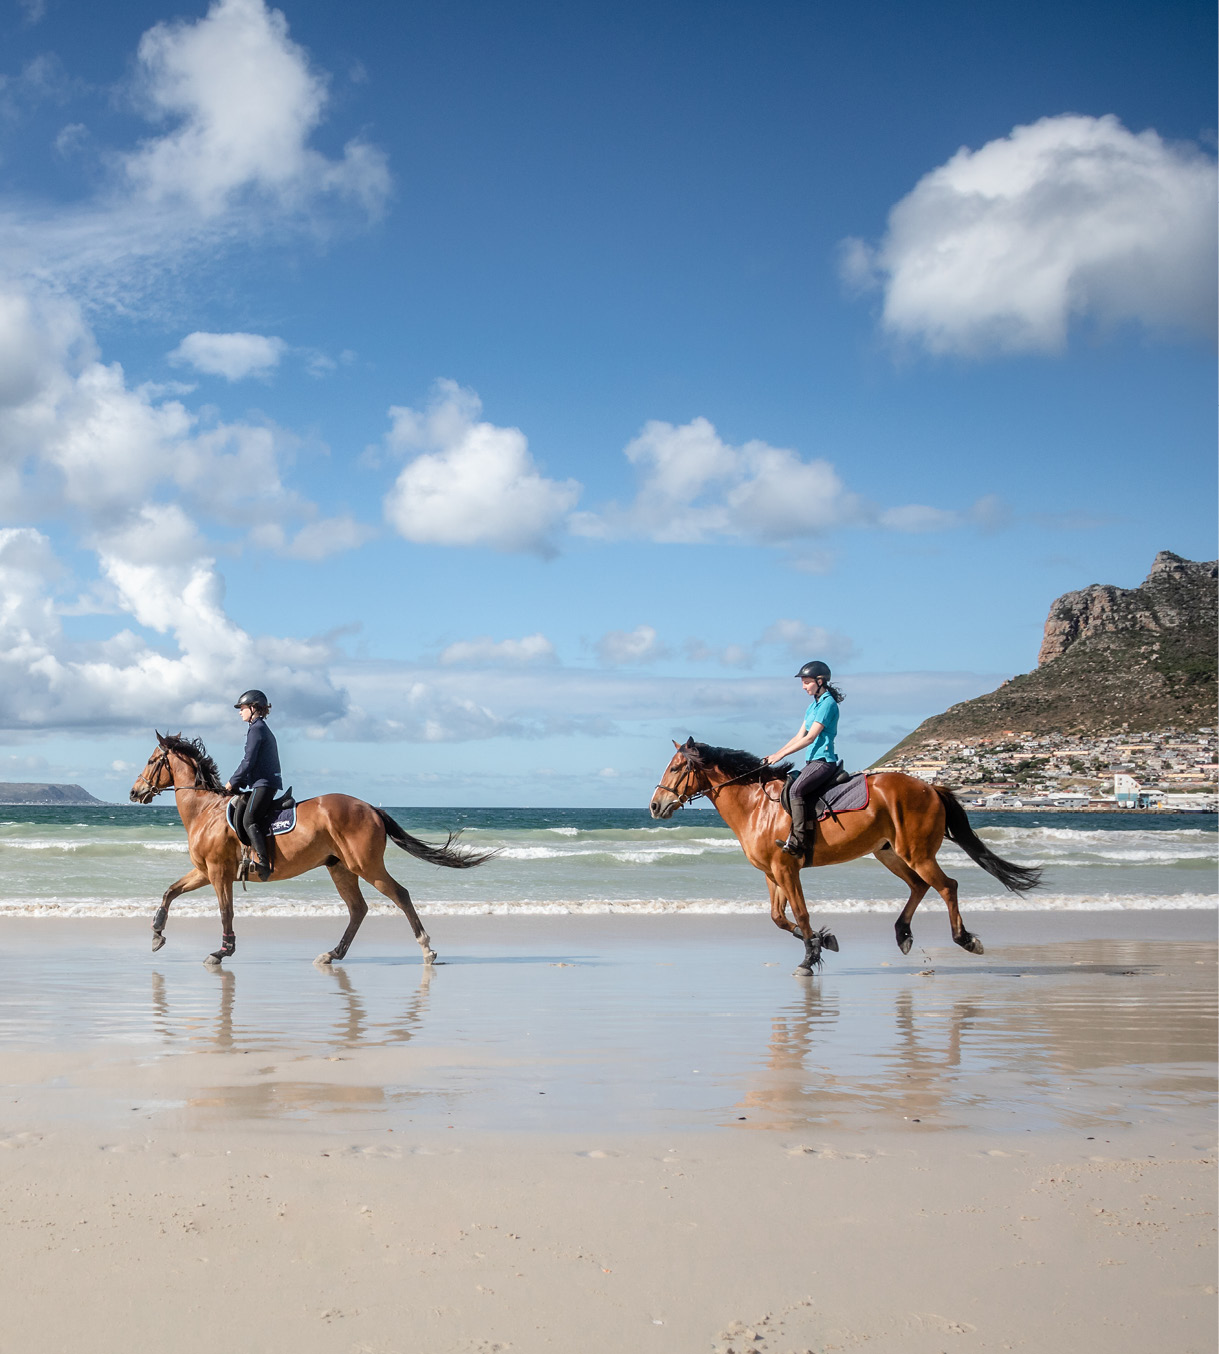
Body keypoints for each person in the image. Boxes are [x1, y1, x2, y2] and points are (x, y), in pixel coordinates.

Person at [764, 660, 845, 859]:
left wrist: (781, 756)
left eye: (806, 682)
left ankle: (799, 842)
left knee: (796, 790)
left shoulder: (828, 704)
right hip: (811, 761)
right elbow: (799, 736)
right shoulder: (813, 707)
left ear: (820, 681)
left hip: (823, 761)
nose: (803, 686)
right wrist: (775, 754)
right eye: (803, 682)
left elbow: (810, 738)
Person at [223, 689, 282, 881]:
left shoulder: (256, 729)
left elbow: (248, 761)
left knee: (249, 820)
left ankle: (264, 864)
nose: (240, 711)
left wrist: (232, 782)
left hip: (264, 784)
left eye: (242, 707)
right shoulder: (259, 727)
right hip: (261, 782)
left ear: (253, 708)